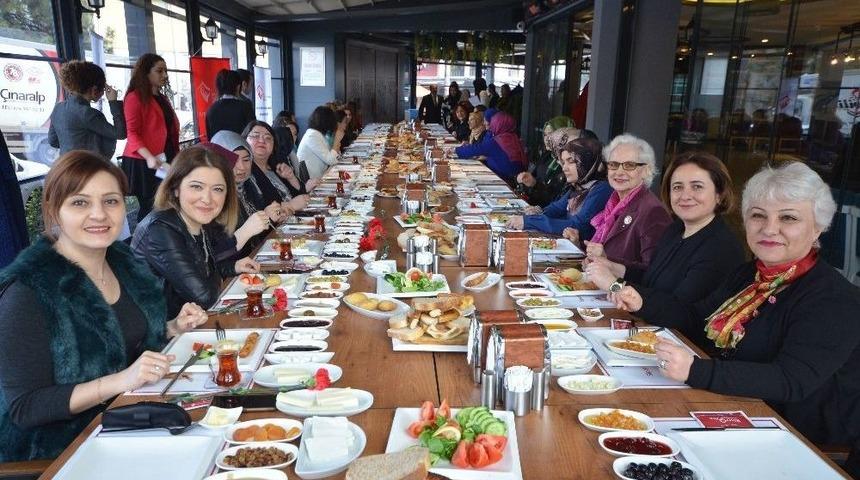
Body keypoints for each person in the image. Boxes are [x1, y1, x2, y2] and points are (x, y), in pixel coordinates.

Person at [609, 162, 860, 476]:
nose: (769, 229)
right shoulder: (749, 274)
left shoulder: (833, 298)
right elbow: (696, 318)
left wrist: (697, 371)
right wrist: (642, 300)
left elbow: (790, 380)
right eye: (758, 215)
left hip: (796, 438)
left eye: (788, 218)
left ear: (819, 226)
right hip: (731, 408)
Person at [0, 151, 208, 461]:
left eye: (111, 201)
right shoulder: (29, 291)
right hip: (62, 450)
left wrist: (172, 327)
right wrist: (122, 380)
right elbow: (26, 407)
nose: (99, 214)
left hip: (130, 422)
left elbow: (123, 344)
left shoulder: (123, 264)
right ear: (54, 210)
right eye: (80, 203)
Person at [586, 151, 744, 304]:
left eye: (697, 187)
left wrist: (614, 286)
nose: (685, 195)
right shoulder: (675, 230)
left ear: (720, 194)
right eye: (677, 187)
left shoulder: (721, 248)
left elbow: (679, 309)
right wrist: (613, 267)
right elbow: (651, 279)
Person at [131, 146, 260, 317]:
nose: (207, 199)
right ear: (176, 187)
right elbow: (205, 297)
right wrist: (216, 275)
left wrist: (232, 267)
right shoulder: (159, 229)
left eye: (218, 189)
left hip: (192, 324)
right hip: (163, 336)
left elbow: (201, 272)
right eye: (196, 187)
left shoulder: (198, 220)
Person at [582, 134, 672, 271]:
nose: (619, 172)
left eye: (629, 165)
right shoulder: (614, 203)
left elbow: (654, 273)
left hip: (623, 290)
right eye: (613, 165)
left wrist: (607, 261)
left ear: (646, 170)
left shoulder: (652, 211)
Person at [507, 137, 612, 237]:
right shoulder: (579, 186)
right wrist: (536, 213)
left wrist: (530, 221)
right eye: (563, 162)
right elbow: (556, 208)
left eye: (571, 161)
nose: (564, 168)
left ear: (587, 161)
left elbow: (578, 225)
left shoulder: (602, 189)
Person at [121, 53, 180, 222]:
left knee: (165, 201)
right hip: (144, 162)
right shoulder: (134, 98)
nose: (165, 75)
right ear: (146, 73)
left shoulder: (162, 98)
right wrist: (149, 157)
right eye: (159, 71)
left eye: (165, 71)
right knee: (151, 206)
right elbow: (131, 133)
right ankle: (144, 243)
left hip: (164, 159)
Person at [210, 131, 287, 256]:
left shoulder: (248, 185)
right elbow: (215, 253)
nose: (241, 167)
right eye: (233, 160)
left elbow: (255, 239)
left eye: (246, 160)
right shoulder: (214, 197)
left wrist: (272, 218)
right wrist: (264, 218)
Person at [48, 60, 126, 160]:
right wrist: (113, 102)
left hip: (66, 166)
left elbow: (53, 141)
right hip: (86, 167)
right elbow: (120, 133)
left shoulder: (58, 108)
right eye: (103, 88)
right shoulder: (88, 113)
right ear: (94, 90)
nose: (103, 92)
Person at [516, 116, 576, 207]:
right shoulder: (547, 156)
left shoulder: (570, 163)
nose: (547, 138)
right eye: (545, 134)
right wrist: (524, 179)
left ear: (563, 136)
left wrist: (534, 184)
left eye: (551, 134)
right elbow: (533, 178)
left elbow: (556, 199)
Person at [454, 111, 526, 184]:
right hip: (515, 180)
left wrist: (455, 150)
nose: (491, 126)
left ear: (498, 125)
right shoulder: (513, 138)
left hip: (502, 180)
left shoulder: (497, 141)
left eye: (494, 123)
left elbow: (475, 149)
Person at [243, 121, 308, 199]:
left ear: (274, 146)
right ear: (244, 140)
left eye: (268, 138)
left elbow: (303, 195)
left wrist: (291, 178)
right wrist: (290, 206)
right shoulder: (244, 172)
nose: (262, 141)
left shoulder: (277, 166)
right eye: (256, 136)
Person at [205, 69, 255, 138]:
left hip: (217, 148)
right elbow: (253, 133)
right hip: (241, 147)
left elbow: (210, 137)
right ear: (238, 87)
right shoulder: (245, 107)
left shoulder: (211, 109)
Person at [297, 106, 343, 180]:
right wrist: (337, 141)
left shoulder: (318, 134)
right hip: (313, 181)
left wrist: (337, 144)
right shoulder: (312, 136)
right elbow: (330, 160)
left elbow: (335, 157)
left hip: (321, 175)